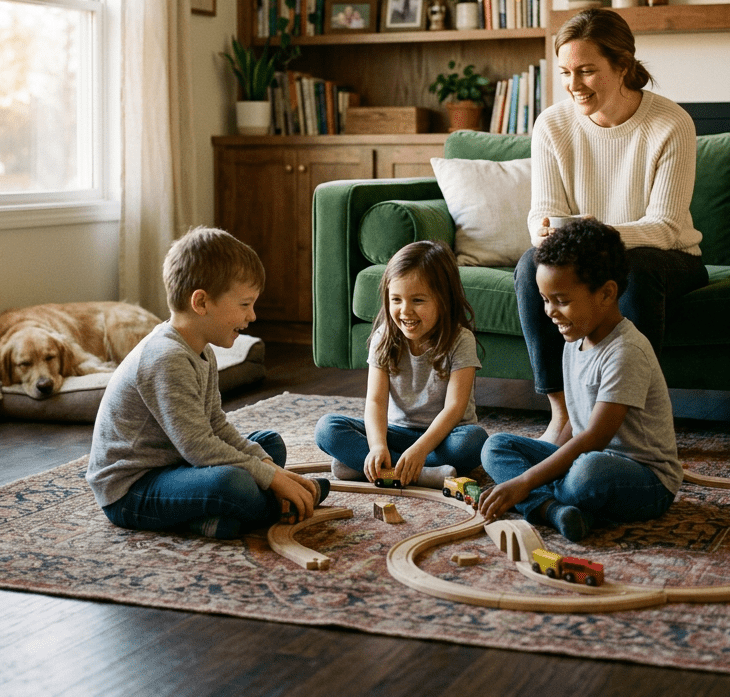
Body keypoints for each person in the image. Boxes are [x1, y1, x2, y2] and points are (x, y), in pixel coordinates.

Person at [515, 8, 708, 444]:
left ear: (622, 65)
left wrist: (596, 233)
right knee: (531, 265)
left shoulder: (671, 124)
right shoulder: (551, 125)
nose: (573, 85)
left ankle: (628, 422)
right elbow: (541, 211)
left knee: (634, 268)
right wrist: (545, 232)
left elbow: (663, 227)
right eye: (566, 71)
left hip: (669, 258)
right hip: (587, 254)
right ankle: (563, 416)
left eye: (587, 71)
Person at [86, 227, 329, 539]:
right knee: (232, 483)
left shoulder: (203, 350)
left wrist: (272, 470)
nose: (252, 315)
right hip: (132, 491)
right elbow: (199, 448)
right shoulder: (166, 358)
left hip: (176, 464)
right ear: (201, 302)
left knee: (269, 444)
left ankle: (216, 519)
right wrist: (274, 479)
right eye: (244, 304)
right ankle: (270, 506)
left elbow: (215, 424)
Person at [479, 219, 682, 541]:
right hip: (587, 459)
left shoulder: (626, 351)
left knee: (587, 473)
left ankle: (543, 499)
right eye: (545, 300)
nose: (549, 312)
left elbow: (594, 438)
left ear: (606, 293)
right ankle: (554, 510)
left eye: (561, 300)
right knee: (496, 446)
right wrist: (546, 464)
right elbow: (577, 422)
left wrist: (526, 481)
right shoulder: (574, 338)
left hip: (643, 479)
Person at [314, 240, 488, 488]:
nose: (406, 311)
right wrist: (376, 446)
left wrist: (419, 450)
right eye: (396, 299)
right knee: (327, 429)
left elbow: (455, 408)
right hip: (396, 434)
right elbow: (375, 401)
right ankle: (422, 475)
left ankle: (369, 468)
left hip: (443, 438)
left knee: (474, 441)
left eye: (418, 300)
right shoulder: (382, 338)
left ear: (444, 299)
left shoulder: (461, 340)